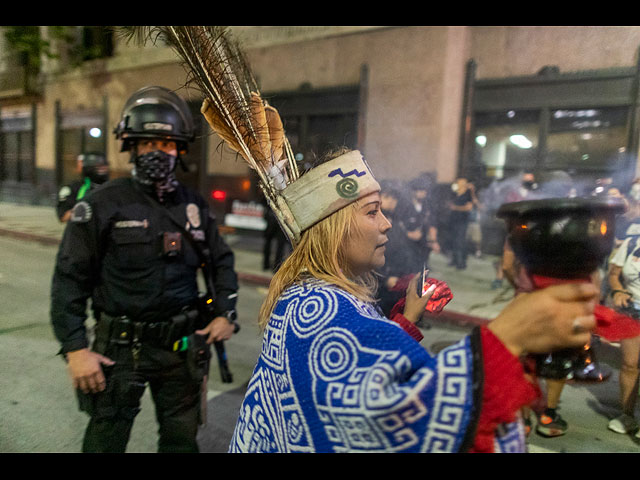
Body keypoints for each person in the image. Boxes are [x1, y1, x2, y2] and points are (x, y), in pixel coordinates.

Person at [228, 148, 598, 453]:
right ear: (334, 231)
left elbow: (356, 386)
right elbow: (401, 423)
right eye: (372, 212)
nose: (387, 223)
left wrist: (406, 320)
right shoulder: (324, 312)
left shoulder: (305, 295)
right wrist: (506, 338)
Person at [50, 86, 239, 453]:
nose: (158, 152)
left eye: (167, 145)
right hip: (119, 351)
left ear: (179, 150)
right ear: (132, 147)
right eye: (148, 143)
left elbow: (221, 262)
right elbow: (69, 280)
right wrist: (75, 350)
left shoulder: (194, 206)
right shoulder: (101, 205)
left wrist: (225, 314)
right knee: (105, 441)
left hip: (181, 349)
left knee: (181, 441)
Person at [606, 204, 640, 436]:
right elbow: (613, 274)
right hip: (633, 311)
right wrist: (618, 291)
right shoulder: (631, 244)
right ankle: (627, 414)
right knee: (630, 364)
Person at [56, 152, 110, 222]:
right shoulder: (72, 188)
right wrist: (82, 210)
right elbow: (63, 217)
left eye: (103, 166)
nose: (102, 169)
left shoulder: (111, 187)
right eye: (99, 166)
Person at [447, 177, 474, 270]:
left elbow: (468, 207)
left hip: (462, 222)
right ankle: (454, 260)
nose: (457, 184)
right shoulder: (455, 194)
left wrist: (455, 208)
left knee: (460, 242)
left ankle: (461, 263)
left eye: (459, 182)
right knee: (453, 241)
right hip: (453, 221)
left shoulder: (467, 195)